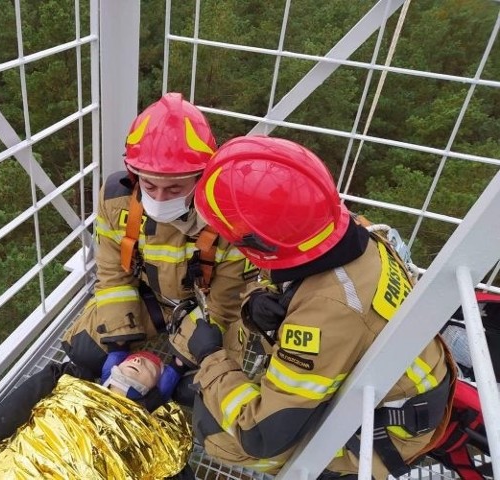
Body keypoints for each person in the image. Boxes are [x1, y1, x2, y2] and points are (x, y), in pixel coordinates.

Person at [186, 135, 457, 479]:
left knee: (215, 428)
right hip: (402, 391)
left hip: (379, 438)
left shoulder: (325, 313)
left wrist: (210, 357)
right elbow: (292, 272)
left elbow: (261, 435)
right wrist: (261, 297)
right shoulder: (351, 230)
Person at [62, 92, 255, 398]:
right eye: (150, 186)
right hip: (150, 300)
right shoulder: (116, 201)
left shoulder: (229, 218)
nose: (160, 199)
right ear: (133, 175)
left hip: (207, 313)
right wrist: (118, 344)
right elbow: (113, 277)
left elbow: (224, 304)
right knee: (86, 350)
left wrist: (179, 363)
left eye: (175, 187)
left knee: (205, 388)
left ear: (202, 178)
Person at [0, 351, 193, 479]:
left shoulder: (153, 429)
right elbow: (19, 402)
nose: (137, 361)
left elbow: (171, 465)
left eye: (147, 364)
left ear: (155, 388)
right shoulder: (69, 381)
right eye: (133, 358)